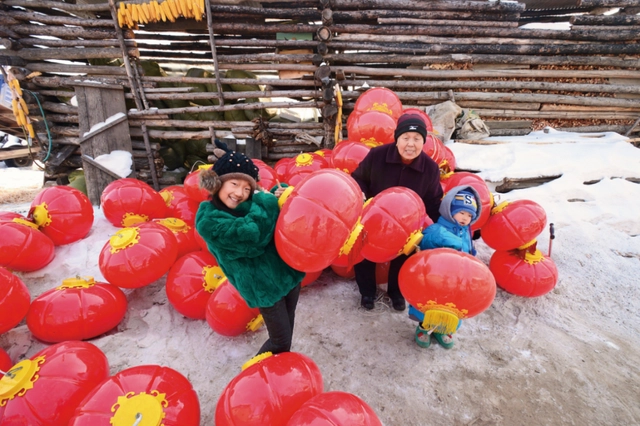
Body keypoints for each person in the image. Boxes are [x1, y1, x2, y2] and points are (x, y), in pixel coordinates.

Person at [195, 141, 305, 359]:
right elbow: (254, 234)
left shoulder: (249, 203)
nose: (239, 193)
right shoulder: (209, 220)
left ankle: (279, 370)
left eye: (247, 188)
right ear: (217, 183)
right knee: (280, 340)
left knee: (288, 326)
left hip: (286, 273)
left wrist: (278, 194)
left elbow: (264, 209)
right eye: (234, 184)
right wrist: (266, 200)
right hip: (263, 287)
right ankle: (257, 373)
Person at [351, 113, 443, 311]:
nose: (411, 144)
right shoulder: (377, 155)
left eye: (417, 139)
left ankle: (396, 292)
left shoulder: (430, 169)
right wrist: (362, 195)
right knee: (365, 252)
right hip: (374, 217)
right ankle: (367, 292)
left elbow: (433, 200)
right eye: (406, 138)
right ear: (397, 139)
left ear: (423, 141)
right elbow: (358, 178)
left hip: (407, 225)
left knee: (404, 256)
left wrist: (433, 230)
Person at [409, 185, 481, 349]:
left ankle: (442, 329)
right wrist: (442, 238)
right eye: (461, 212)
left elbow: (468, 251)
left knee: (452, 305)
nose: (465, 217)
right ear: (450, 210)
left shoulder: (467, 233)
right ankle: (424, 327)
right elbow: (425, 242)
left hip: (457, 280)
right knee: (431, 303)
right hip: (436, 277)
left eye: (469, 215)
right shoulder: (437, 229)